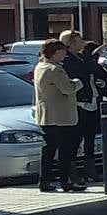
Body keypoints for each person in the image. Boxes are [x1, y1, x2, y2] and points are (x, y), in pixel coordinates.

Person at [33, 40, 84, 193]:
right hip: (61, 116)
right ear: (55, 53)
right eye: (62, 51)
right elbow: (68, 88)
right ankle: (65, 181)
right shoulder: (56, 70)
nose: (64, 54)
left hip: (46, 114)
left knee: (48, 149)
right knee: (65, 150)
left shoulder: (40, 66)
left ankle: (44, 180)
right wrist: (78, 82)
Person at [59, 30, 107, 180]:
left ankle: (90, 170)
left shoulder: (82, 58)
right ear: (70, 43)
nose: (83, 43)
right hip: (78, 103)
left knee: (90, 137)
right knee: (75, 139)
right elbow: (75, 79)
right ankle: (72, 174)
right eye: (79, 40)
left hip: (92, 99)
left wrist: (102, 82)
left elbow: (97, 73)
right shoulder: (67, 61)